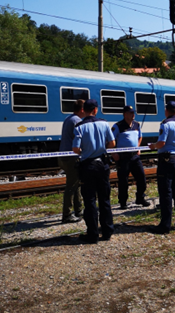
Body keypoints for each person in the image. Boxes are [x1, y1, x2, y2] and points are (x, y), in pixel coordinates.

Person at [72, 99, 116, 243]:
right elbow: (112, 143)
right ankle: (108, 231)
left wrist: (85, 151)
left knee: (90, 201)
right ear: (96, 110)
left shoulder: (79, 127)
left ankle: (93, 234)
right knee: (105, 199)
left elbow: (75, 149)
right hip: (102, 165)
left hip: (87, 166)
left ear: (83, 110)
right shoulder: (104, 123)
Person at [147, 101, 175, 234]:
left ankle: (165, 225)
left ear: (166, 111)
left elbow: (161, 143)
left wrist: (153, 146)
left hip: (166, 160)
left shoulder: (165, 124)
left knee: (166, 192)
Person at [111, 105, 150, 209]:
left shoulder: (137, 125)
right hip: (123, 157)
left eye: (133, 113)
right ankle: (123, 202)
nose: (133, 115)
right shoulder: (118, 126)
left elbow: (140, 136)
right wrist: (113, 153)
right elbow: (110, 140)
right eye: (130, 113)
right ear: (125, 114)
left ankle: (140, 198)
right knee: (123, 180)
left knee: (141, 178)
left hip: (135, 157)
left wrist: (138, 147)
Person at [59, 99, 85, 223]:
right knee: (71, 186)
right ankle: (67, 214)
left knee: (76, 184)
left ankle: (78, 210)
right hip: (71, 157)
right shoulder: (77, 121)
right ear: (82, 110)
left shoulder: (69, 119)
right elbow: (79, 139)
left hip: (65, 156)